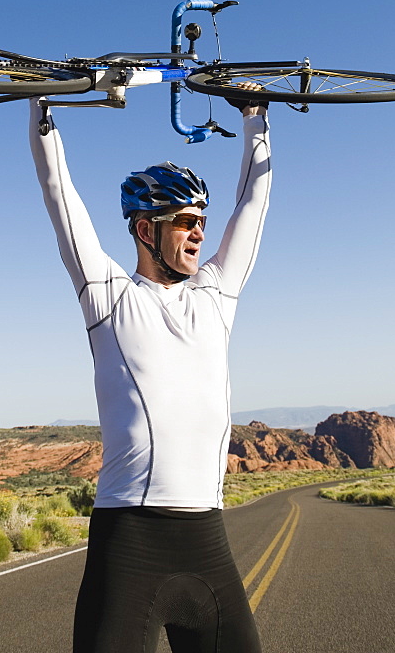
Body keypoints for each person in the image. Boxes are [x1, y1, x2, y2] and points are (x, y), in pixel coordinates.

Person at [29, 86, 271, 653]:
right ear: (145, 229)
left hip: (207, 544)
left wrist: (254, 116)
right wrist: (42, 111)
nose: (199, 233)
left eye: (201, 222)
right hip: (129, 546)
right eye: (185, 221)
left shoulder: (217, 296)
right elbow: (59, 196)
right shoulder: (109, 296)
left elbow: (254, 204)